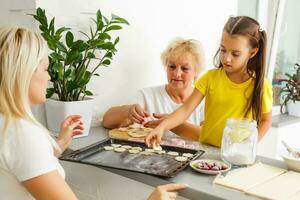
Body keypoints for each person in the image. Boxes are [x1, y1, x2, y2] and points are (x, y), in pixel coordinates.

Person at [0, 27, 186, 200]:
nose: (49, 77)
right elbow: (25, 150)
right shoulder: (22, 134)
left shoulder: (9, 125)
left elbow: (21, 163)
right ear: (23, 72)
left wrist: (58, 145)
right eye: (46, 68)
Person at [146, 16, 273, 148]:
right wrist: (161, 127)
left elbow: (266, 120)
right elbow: (185, 110)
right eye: (223, 50)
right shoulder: (210, 78)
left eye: (235, 54)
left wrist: (250, 146)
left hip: (238, 155)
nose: (227, 58)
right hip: (207, 151)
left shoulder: (261, 84)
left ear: (252, 52)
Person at [102, 38, 205, 140]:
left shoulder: (204, 101)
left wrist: (170, 123)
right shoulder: (147, 96)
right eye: (172, 67)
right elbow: (106, 121)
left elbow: (207, 136)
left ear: (196, 71)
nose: (177, 74)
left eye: (185, 68)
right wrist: (127, 111)